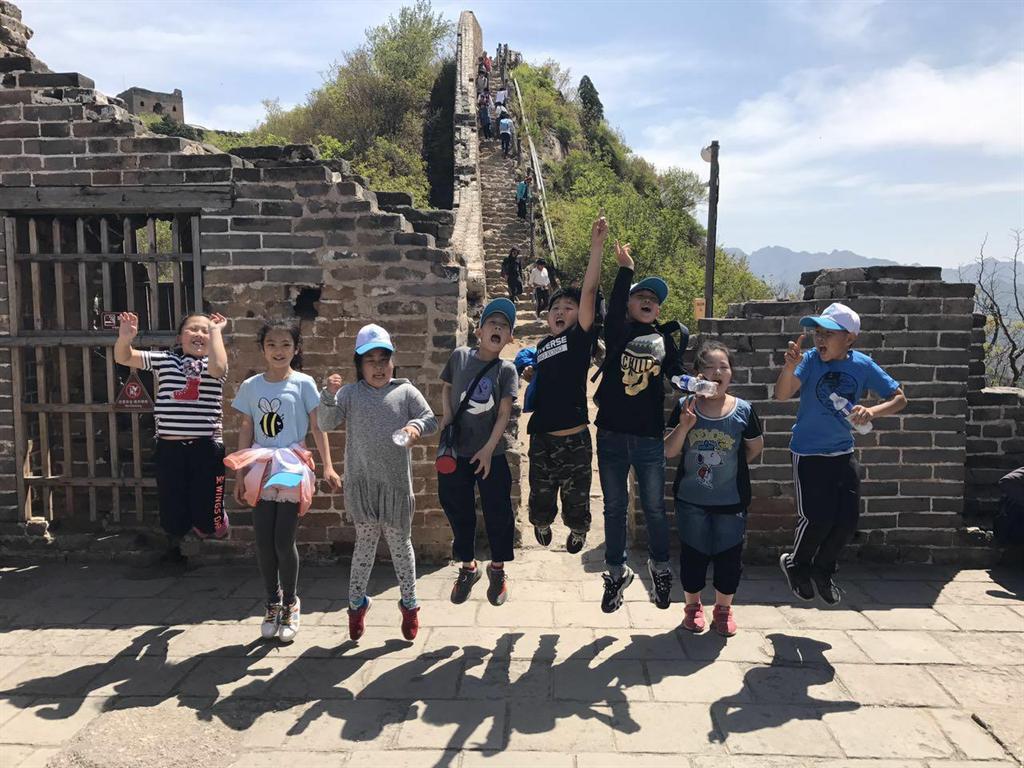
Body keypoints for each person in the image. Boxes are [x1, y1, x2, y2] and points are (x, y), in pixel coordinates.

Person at [775, 302, 907, 605]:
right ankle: (797, 564)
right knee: (817, 519)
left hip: (842, 452)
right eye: (818, 333)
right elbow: (782, 394)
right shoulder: (810, 360)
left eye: (829, 333)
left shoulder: (862, 365)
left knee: (847, 521)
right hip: (808, 453)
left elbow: (899, 398)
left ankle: (823, 570)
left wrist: (871, 411)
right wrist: (789, 366)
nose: (820, 339)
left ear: (850, 338)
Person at [317, 324, 437, 642]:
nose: (378, 367)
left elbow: (430, 419)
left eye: (384, 359)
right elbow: (326, 423)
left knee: (401, 547)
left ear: (393, 362)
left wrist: (414, 427)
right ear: (359, 365)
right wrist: (328, 396)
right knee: (365, 547)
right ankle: (357, 605)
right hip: (363, 487)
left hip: (396, 488)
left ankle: (410, 605)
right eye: (370, 360)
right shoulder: (350, 394)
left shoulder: (405, 392)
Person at [227, 319, 341, 643]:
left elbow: (317, 427)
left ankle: (291, 602)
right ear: (263, 349)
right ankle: (271, 602)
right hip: (260, 465)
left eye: (286, 344)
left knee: (283, 540)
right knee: (263, 541)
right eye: (272, 344)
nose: (279, 351)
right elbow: (247, 428)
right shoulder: (251, 387)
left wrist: (328, 466)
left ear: (296, 348)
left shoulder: (304, 384)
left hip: (291, 463)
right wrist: (239, 473)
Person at [595, 241, 687, 613]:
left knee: (653, 507)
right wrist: (625, 269)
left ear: (659, 309)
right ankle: (616, 573)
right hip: (611, 433)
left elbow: (677, 375)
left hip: (649, 436)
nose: (648, 301)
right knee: (614, 507)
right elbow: (614, 306)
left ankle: (660, 567)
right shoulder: (618, 331)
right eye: (641, 297)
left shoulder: (665, 339)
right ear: (630, 304)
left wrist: (695, 385)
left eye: (654, 299)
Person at [665, 341, 764, 636]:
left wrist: (730, 468)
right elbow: (669, 451)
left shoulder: (743, 410)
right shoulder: (685, 407)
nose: (717, 372)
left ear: (731, 374)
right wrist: (685, 425)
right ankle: (693, 607)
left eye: (724, 367)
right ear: (698, 374)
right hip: (691, 499)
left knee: (729, 558)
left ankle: (723, 609)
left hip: (730, 500)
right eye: (709, 367)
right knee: (692, 555)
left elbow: (754, 448)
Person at [114, 311, 229, 562]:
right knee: (173, 515)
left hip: (205, 447)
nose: (199, 334)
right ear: (179, 337)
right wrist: (125, 338)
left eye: (205, 331)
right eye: (193, 329)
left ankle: (214, 517)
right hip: (170, 448)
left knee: (208, 517)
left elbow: (219, 367)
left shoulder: (214, 363)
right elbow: (124, 357)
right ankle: (184, 530)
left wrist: (217, 331)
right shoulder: (166, 360)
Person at [526, 217, 606, 554]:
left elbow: (588, 292)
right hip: (542, 437)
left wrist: (596, 248)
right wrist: (532, 375)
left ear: (580, 315)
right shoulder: (543, 345)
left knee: (577, 496)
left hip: (574, 438)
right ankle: (542, 522)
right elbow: (546, 376)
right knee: (540, 494)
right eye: (555, 308)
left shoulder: (579, 338)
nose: (560, 311)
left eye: (568, 308)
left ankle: (577, 529)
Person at [438, 298, 519, 607]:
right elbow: (447, 386)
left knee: (498, 511)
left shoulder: (506, 370)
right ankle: (468, 567)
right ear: (479, 331)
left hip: (491, 454)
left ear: (509, 338)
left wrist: (487, 450)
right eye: (492, 323)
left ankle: (497, 569)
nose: (497, 328)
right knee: (457, 507)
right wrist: (447, 416)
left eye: (504, 326)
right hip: (457, 450)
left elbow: (504, 413)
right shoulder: (460, 357)